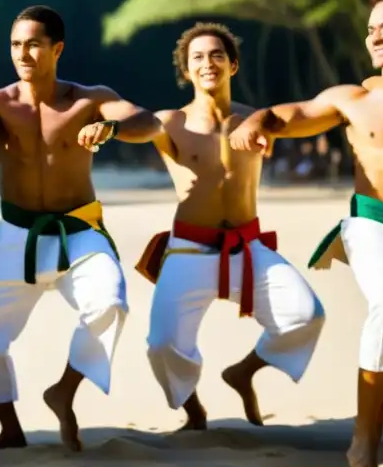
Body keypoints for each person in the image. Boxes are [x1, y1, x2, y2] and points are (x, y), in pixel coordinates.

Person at [230, 0, 383, 467]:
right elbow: (287, 116)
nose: (374, 36)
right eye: (369, 29)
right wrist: (255, 122)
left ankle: (374, 405)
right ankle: (367, 432)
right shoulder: (352, 99)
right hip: (371, 226)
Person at [0, 5, 160, 452]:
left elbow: (148, 122)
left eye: (34, 44)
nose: (23, 53)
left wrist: (112, 128)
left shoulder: (88, 98)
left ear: (57, 49)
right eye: (16, 45)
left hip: (77, 229)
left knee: (110, 304)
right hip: (15, 233)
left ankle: (64, 391)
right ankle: (9, 428)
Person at [135, 23, 325, 431]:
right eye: (198, 58)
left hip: (247, 245)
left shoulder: (256, 121)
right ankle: (194, 410)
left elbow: (299, 114)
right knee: (162, 345)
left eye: (217, 55)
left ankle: (244, 371)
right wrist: (107, 127)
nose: (208, 63)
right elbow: (135, 125)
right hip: (188, 247)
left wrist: (259, 121)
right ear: (186, 71)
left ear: (233, 64)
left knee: (306, 315)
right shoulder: (169, 123)